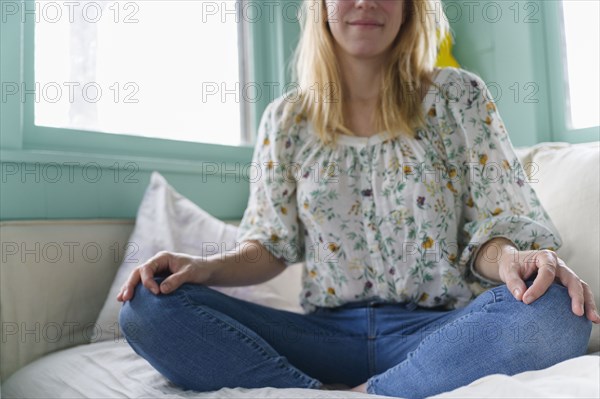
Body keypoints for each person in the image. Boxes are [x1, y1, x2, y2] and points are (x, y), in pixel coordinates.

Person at [117, 1, 598, 398]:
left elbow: (491, 234)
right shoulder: (285, 121)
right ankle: (315, 390)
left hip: (439, 332)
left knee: (556, 311)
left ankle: (372, 393)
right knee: (146, 307)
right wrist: (204, 267)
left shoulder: (459, 97)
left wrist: (513, 257)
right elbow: (270, 244)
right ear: (321, 6)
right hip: (320, 337)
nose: (365, 3)